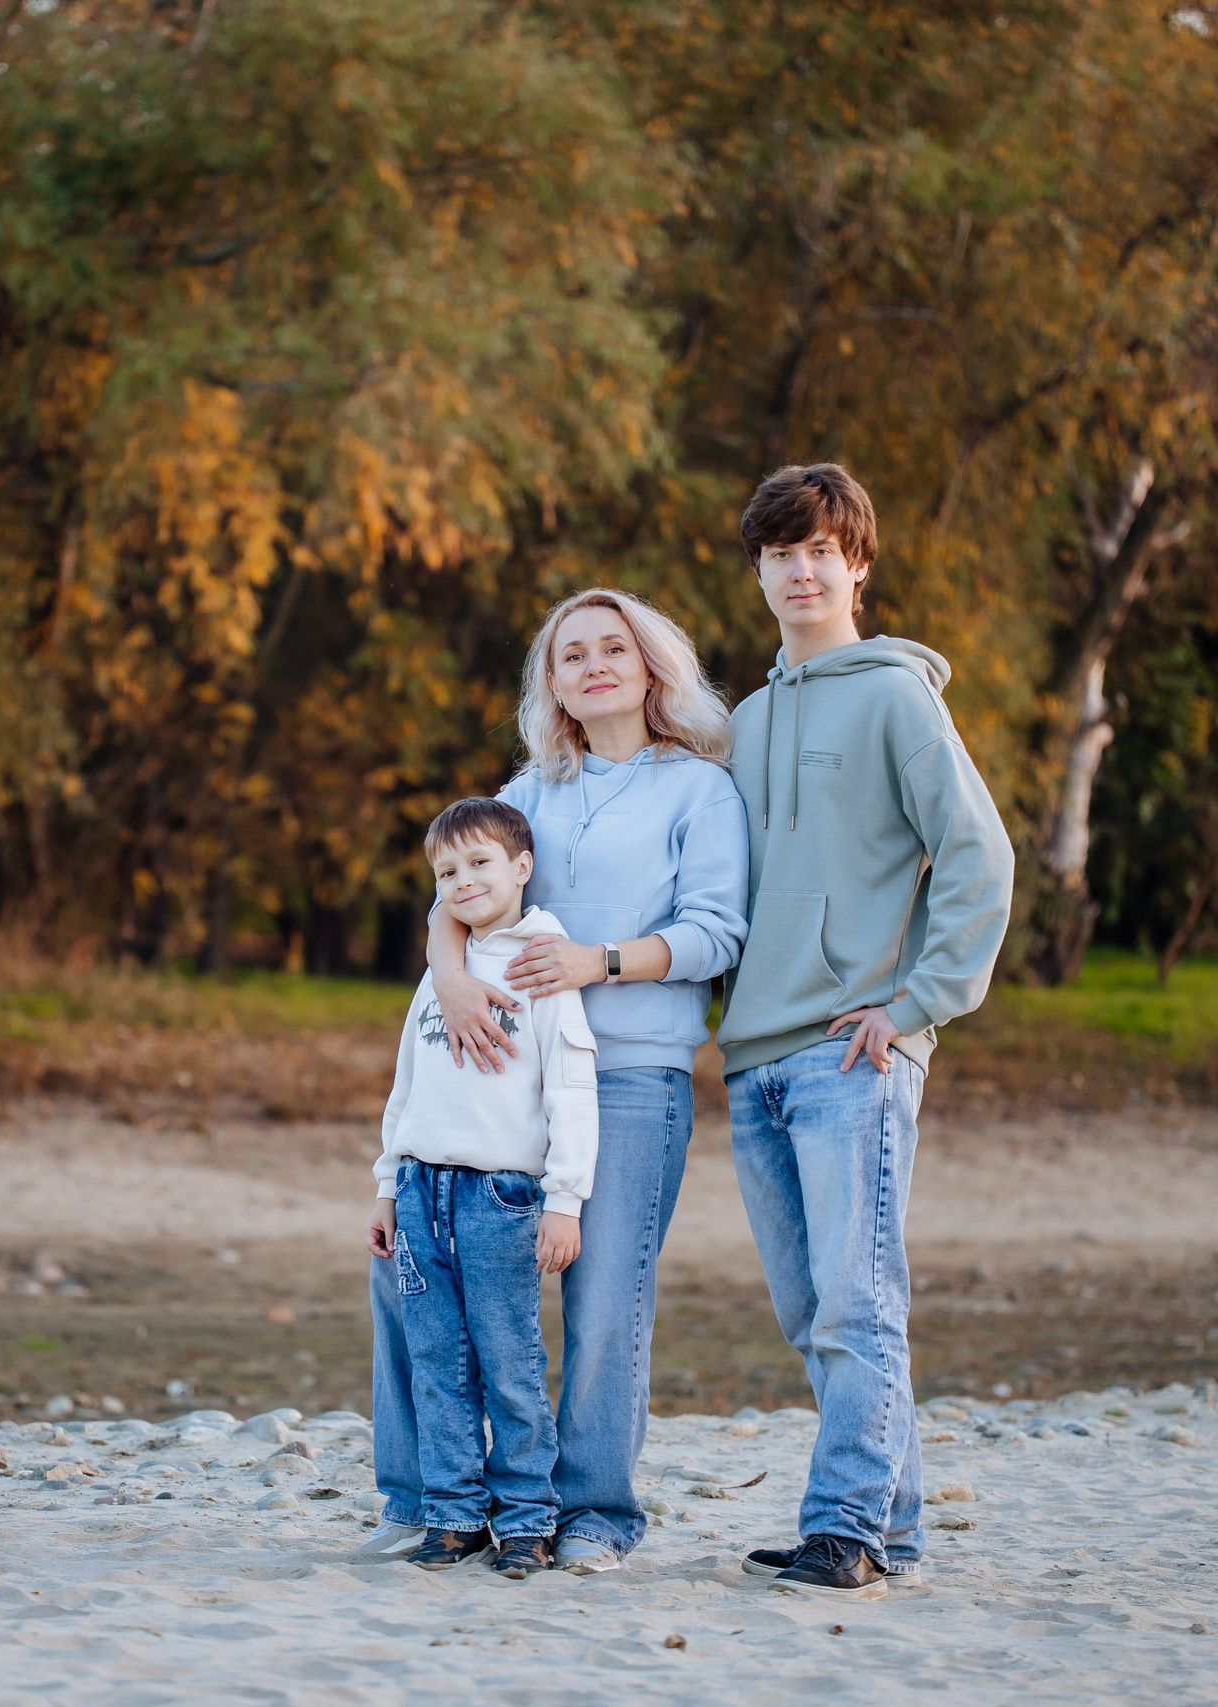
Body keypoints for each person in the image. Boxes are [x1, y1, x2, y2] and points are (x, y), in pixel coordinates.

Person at [359, 588, 750, 1575]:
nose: (592, 667)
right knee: (407, 1273)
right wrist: (448, 977)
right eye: (570, 655)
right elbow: (460, 883)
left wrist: (596, 962)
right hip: (496, 1080)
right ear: (552, 684)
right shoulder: (532, 786)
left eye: (612, 648)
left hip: (629, 1076)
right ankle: (426, 1497)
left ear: (652, 666)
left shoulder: (697, 791)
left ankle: (595, 1514)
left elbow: (716, 934)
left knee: (602, 1297)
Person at [717, 463, 1015, 1599]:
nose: (801, 570)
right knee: (813, 1310)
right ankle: (890, 1525)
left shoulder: (897, 697)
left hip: (853, 1050)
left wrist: (916, 1002)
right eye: (779, 553)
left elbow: (977, 857)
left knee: (856, 1299)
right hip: (754, 1057)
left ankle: (839, 1528)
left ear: (857, 565)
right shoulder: (742, 723)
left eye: (820, 551)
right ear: (758, 571)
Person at [365, 797, 598, 1577]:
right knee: (437, 1360)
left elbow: (571, 1088)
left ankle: (528, 1519)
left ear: (521, 867)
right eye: (446, 871)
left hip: (500, 1198)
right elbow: (407, 1089)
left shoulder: (540, 964)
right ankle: (455, 1514)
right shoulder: (441, 974)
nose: (463, 881)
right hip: (422, 1191)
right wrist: (387, 1186)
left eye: (480, 863)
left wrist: (565, 1198)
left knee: (510, 1363)